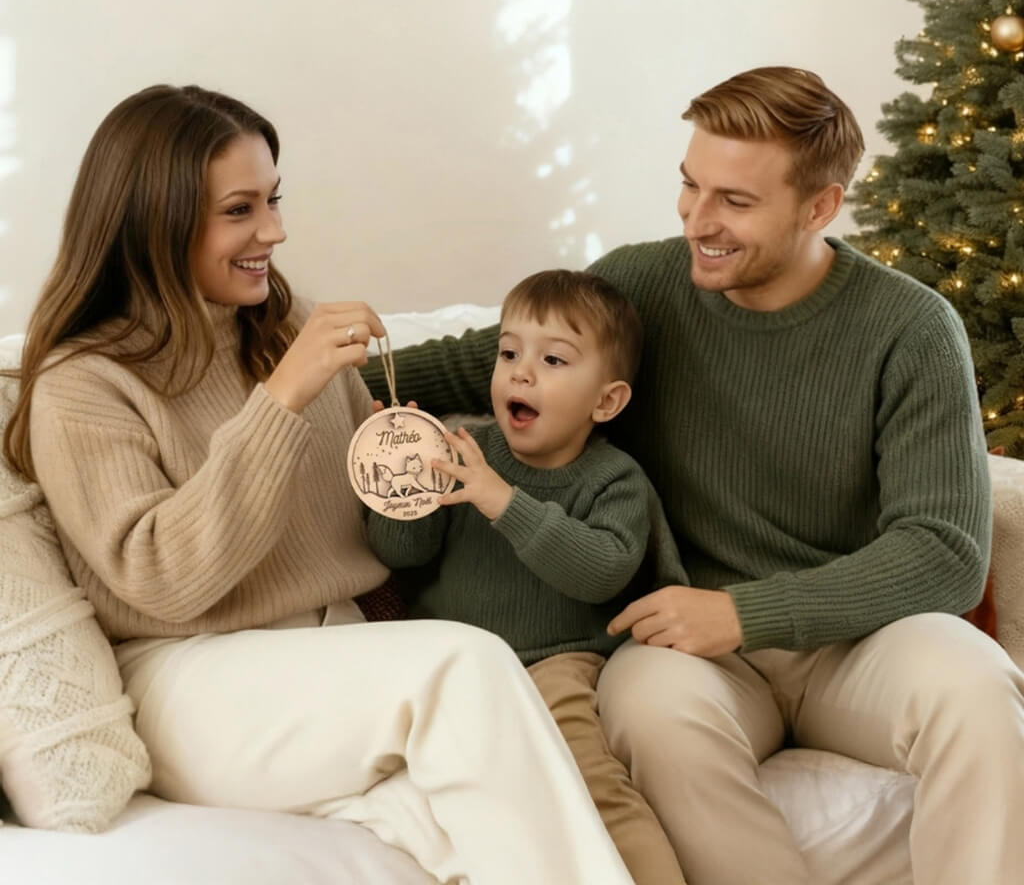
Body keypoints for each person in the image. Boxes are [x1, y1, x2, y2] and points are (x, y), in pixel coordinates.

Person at [362, 66, 1024, 884]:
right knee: (650, 711)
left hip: (858, 641)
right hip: (688, 646)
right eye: (689, 185)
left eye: (734, 201)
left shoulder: (912, 328)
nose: (697, 221)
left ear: (820, 206)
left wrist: (746, 611)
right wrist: (308, 376)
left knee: (978, 691)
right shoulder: (642, 284)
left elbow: (945, 552)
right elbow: (481, 363)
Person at [1, 84, 637, 885]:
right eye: (240, 210)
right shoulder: (84, 381)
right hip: (190, 674)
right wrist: (281, 400)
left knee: (480, 827)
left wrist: (423, 457)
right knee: (463, 667)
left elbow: (373, 499)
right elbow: (162, 578)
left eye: (273, 200)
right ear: (157, 221)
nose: (274, 230)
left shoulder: (285, 326)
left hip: (341, 658)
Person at [366, 268, 689, 885]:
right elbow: (400, 554)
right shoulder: (464, 452)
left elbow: (602, 572)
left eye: (553, 360)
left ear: (606, 402)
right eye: (509, 353)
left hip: (553, 663)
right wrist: (404, 484)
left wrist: (503, 502)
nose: (520, 373)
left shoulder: (614, 480)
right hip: (451, 664)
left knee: (587, 782)